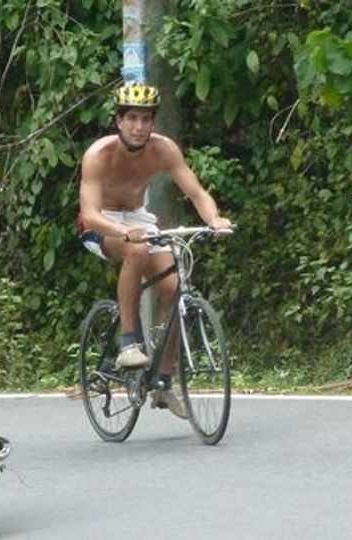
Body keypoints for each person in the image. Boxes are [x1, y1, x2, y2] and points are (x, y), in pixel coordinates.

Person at [78, 82, 232, 419]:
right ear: (118, 121)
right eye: (131, 118)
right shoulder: (98, 155)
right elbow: (89, 214)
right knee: (136, 251)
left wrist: (214, 219)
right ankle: (128, 343)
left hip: (138, 218)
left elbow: (196, 192)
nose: (139, 126)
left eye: (146, 119)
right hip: (101, 223)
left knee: (175, 288)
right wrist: (123, 232)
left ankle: (163, 381)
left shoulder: (164, 150)